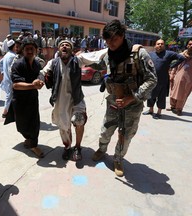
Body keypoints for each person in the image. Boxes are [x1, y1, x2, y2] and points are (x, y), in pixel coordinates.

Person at [92, 20, 157, 177]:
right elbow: (100, 65)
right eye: (107, 40)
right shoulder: (108, 54)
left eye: (113, 39)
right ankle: (102, 150)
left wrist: (132, 97)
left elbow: (152, 79)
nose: (110, 43)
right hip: (113, 103)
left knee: (125, 136)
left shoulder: (138, 54)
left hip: (132, 105)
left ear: (122, 36)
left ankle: (118, 159)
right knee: (105, 131)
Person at [41, 40, 97, 161]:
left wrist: (111, 50)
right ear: (59, 49)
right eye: (62, 45)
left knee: (79, 120)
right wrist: (39, 79)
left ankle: (77, 148)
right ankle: (67, 147)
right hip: (61, 100)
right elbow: (42, 72)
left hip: (76, 99)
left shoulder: (78, 60)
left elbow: (95, 56)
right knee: (63, 127)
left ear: (71, 50)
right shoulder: (53, 63)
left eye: (67, 45)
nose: (64, 46)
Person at [6, 37, 45, 158]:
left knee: (34, 124)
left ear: (36, 51)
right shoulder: (18, 64)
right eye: (27, 49)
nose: (29, 51)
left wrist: (40, 82)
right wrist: (33, 85)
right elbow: (16, 85)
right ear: (23, 51)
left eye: (32, 49)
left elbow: (41, 76)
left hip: (33, 99)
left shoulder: (37, 64)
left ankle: (34, 145)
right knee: (21, 125)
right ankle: (28, 138)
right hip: (20, 100)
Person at [142, 39, 185, 119]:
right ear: (155, 45)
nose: (160, 45)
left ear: (164, 45)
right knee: (151, 96)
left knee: (161, 97)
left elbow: (181, 58)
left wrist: (172, 65)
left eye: (162, 44)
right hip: (152, 79)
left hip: (163, 80)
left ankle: (159, 112)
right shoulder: (151, 54)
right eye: (158, 44)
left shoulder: (169, 54)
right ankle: (151, 110)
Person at [168, 39, 192, 116]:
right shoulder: (180, 55)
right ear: (187, 45)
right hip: (177, 77)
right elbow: (174, 66)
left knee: (183, 94)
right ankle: (172, 106)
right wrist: (172, 74)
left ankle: (179, 109)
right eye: (190, 44)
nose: (191, 46)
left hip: (189, 80)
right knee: (173, 92)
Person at [0, 39, 17, 117]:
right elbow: (11, 70)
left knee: (10, 96)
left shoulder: (6, 55)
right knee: (9, 97)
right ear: (13, 47)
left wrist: (3, 72)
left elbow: (0, 63)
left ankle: (11, 112)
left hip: (6, 79)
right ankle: (5, 113)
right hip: (10, 80)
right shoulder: (13, 56)